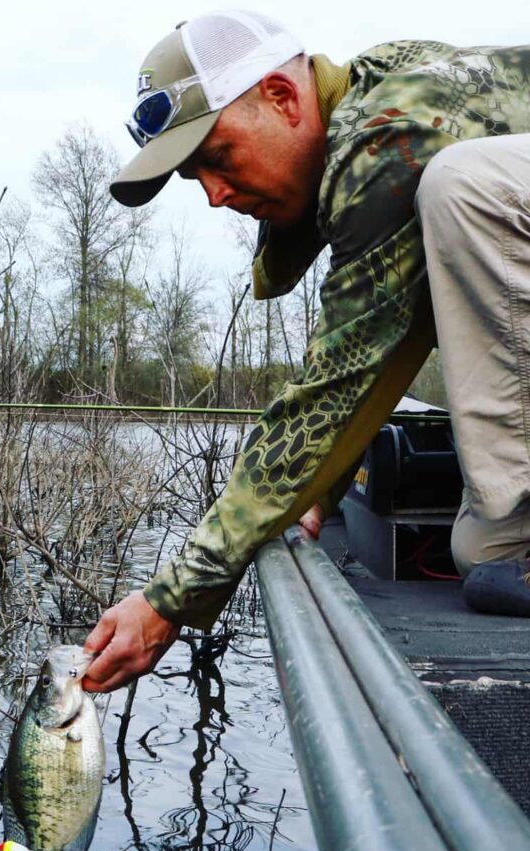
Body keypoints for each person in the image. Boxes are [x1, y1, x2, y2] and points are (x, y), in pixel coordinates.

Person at [82, 10, 530, 693]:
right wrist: (316, 478)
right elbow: (378, 350)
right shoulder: (369, 87)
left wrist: (169, 600)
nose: (213, 196)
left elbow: (334, 388)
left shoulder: (388, 135)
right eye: (193, 178)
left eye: (218, 157)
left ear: (284, 98)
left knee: (462, 185)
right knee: (489, 552)